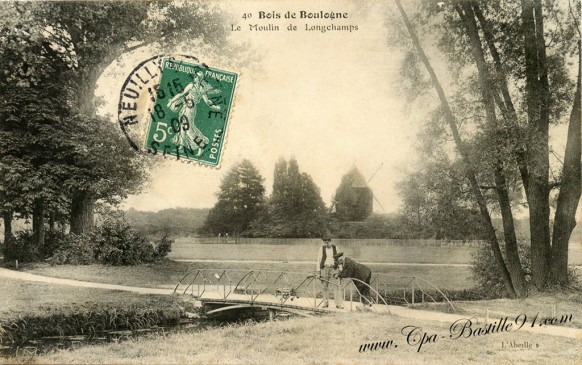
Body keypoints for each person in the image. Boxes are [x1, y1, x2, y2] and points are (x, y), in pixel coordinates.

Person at [167, 70, 221, 156]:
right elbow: (181, 94)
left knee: (188, 129)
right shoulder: (192, 86)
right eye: (195, 76)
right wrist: (171, 101)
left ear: (200, 78)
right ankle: (181, 147)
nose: (195, 77)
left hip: (190, 109)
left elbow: (207, 101)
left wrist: (214, 107)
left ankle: (201, 145)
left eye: (197, 76)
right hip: (186, 107)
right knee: (182, 127)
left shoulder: (201, 89)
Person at [316, 236, 344, 309]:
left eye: (327, 242)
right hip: (324, 268)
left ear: (330, 241)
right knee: (324, 286)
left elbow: (340, 259)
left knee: (337, 286)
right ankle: (325, 303)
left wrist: (340, 270)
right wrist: (318, 272)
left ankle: (338, 304)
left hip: (334, 269)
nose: (326, 244)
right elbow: (318, 260)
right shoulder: (321, 248)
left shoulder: (336, 248)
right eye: (324, 242)